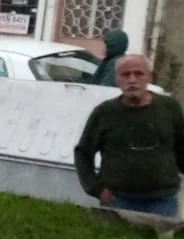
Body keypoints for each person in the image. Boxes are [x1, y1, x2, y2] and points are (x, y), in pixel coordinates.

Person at [74, 53, 184, 218]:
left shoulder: (169, 108)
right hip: (118, 200)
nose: (132, 80)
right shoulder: (104, 112)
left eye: (138, 73)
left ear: (149, 77)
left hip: (163, 201)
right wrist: (96, 189)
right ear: (117, 79)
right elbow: (83, 153)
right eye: (125, 74)